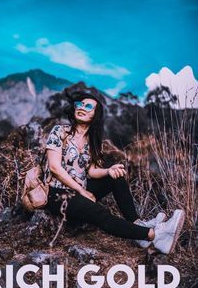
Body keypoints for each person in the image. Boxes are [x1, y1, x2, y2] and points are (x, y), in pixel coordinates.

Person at [43, 89, 185, 254]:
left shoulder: (92, 141)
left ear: (95, 115)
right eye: (79, 104)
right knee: (100, 213)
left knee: (116, 178)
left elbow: (92, 171)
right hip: (58, 194)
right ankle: (154, 235)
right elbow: (54, 167)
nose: (82, 107)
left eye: (88, 106)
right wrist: (81, 190)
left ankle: (137, 224)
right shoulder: (60, 131)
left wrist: (109, 171)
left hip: (79, 190)